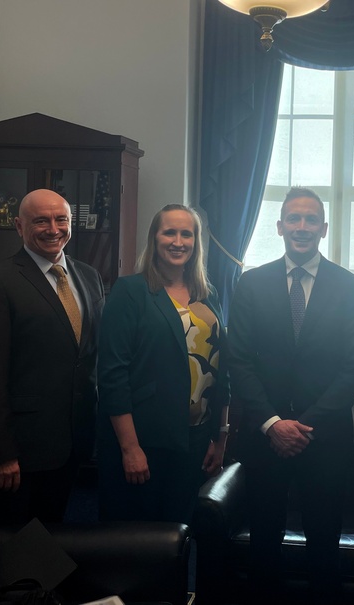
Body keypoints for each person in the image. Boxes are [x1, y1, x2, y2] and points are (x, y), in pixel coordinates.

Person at [228, 187, 354, 604]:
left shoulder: (351, 288)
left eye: (311, 220)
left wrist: (303, 425)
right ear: (279, 227)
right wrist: (273, 424)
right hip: (263, 439)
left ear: (324, 228)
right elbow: (239, 361)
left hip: (324, 441)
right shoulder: (252, 284)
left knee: (324, 545)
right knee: (263, 544)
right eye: (294, 218)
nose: (302, 227)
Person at [0, 188, 105, 525]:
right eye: (41, 220)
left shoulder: (89, 276)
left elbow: (88, 355)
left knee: (56, 534)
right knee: (14, 548)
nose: (53, 229)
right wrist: (0, 453)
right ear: (19, 226)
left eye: (61, 220)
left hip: (74, 440)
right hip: (21, 449)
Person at [96, 204, 228, 524]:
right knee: (141, 541)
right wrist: (130, 448)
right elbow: (112, 375)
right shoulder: (131, 291)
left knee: (180, 537)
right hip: (146, 441)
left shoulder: (208, 295)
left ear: (197, 242)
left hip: (195, 440)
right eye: (169, 232)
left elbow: (222, 371)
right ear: (154, 238)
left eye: (187, 233)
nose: (178, 241)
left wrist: (220, 437)